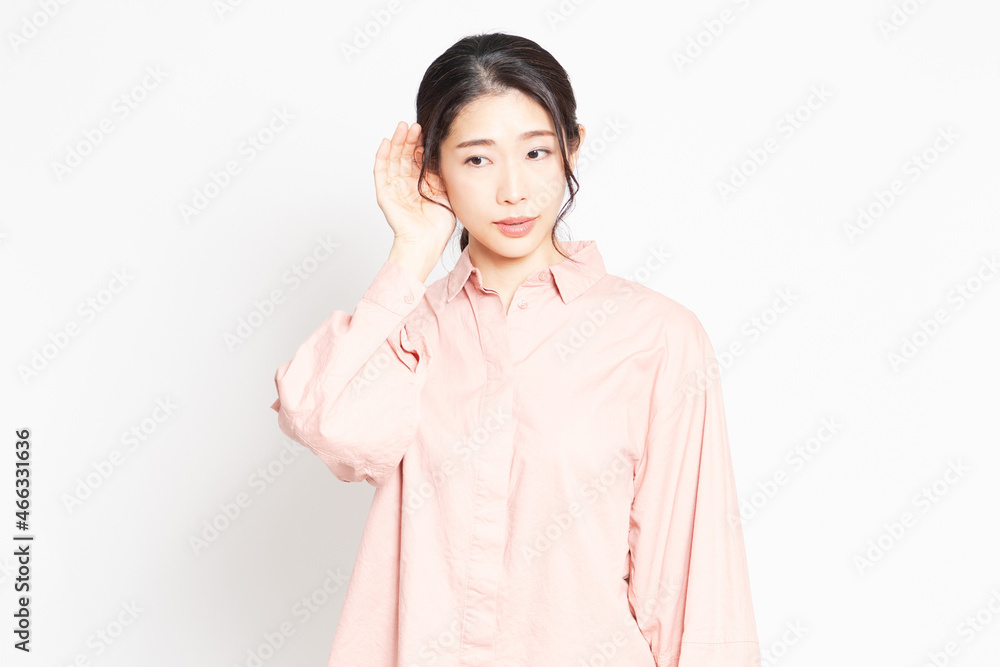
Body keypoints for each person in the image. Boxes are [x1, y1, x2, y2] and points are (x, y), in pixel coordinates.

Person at [269, 32, 761, 666]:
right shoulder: (406, 333)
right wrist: (411, 253)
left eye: (536, 152)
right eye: (477, 159)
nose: (513, 190)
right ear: (434, 172)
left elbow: (696, 586)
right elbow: (332, 430)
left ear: (571, 149)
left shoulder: (656, 337)